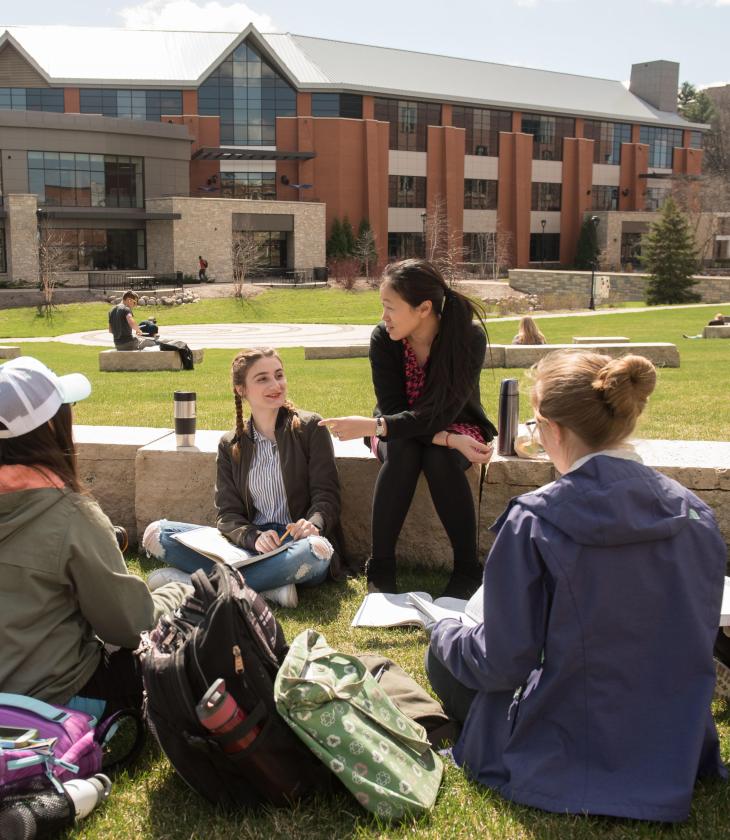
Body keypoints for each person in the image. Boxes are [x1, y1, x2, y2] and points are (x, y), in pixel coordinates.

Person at [425, 350, 727, 823]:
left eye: (535, 423)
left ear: (554, 430)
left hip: (566, 737)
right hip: (669, 735)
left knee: (443, 655)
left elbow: (502, 663)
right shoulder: (695, 514)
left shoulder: (533, 521)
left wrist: (443, 632)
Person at [0, 356, 191, 717]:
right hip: (52, 699)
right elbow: (130, 625)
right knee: (189, 618)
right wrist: (179, 591)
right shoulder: (70, 516)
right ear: (52, 429)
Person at [320, 258, 497, 599]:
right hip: (398, 422)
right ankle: (382, 569)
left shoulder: (467, 339)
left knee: (439, 458)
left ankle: (466, 570)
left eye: (390, 307)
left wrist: (374, 427)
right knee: (402, 451)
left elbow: (441, 412)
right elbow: (393, 409)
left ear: (424, 308)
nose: (383, 317)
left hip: (455, 422)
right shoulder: (384, 339)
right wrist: (444, 439)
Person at [143, 348, 345, 608]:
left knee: (317, 551)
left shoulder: (309, 428)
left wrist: (313, 524)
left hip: (296, 544)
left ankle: (198, 586)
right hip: (251, 546)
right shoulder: (231, 444)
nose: (275, 385)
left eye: (279, 375)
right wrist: (253, 537)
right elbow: (228, 515)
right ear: (241, 389)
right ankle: (270, 588)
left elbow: (327, 495)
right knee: (158, 534)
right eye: (262, 379)